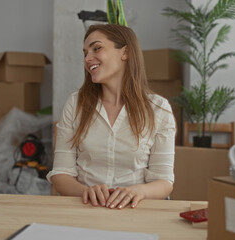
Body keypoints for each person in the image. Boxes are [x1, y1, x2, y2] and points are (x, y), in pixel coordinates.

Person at [46, 24, 176, 209]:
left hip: (137, 211)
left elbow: (164, 182)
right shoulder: (75, 105)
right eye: (85, 53)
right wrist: (84, 191)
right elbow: (61, 174)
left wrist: (140, 191)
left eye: (97, 48)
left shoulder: (158, 109)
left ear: (125, 53)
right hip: (87, 208)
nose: (88, 58)